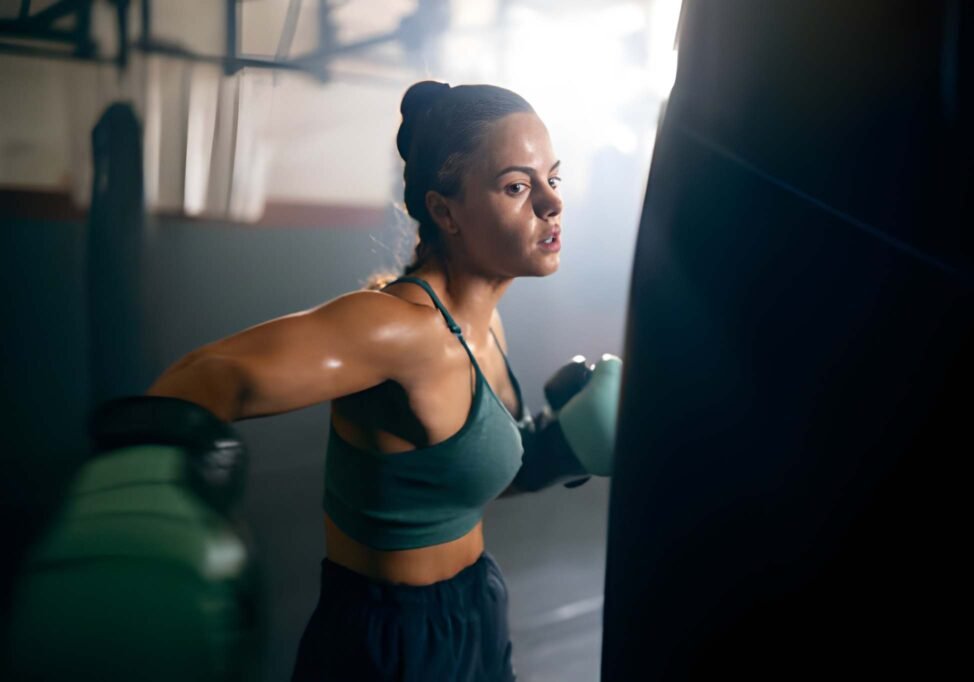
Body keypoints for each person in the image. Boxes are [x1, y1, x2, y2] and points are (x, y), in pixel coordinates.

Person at [140, 80, 622, 681]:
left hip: (476, 610)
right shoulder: (399, 329)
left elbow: (450, 479)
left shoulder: (487, 321)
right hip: (390, 644)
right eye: (517, 186)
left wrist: (553, 450)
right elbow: (210, 377)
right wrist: (145, 499)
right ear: (445, 211)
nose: (551, 203)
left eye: (553, 177)